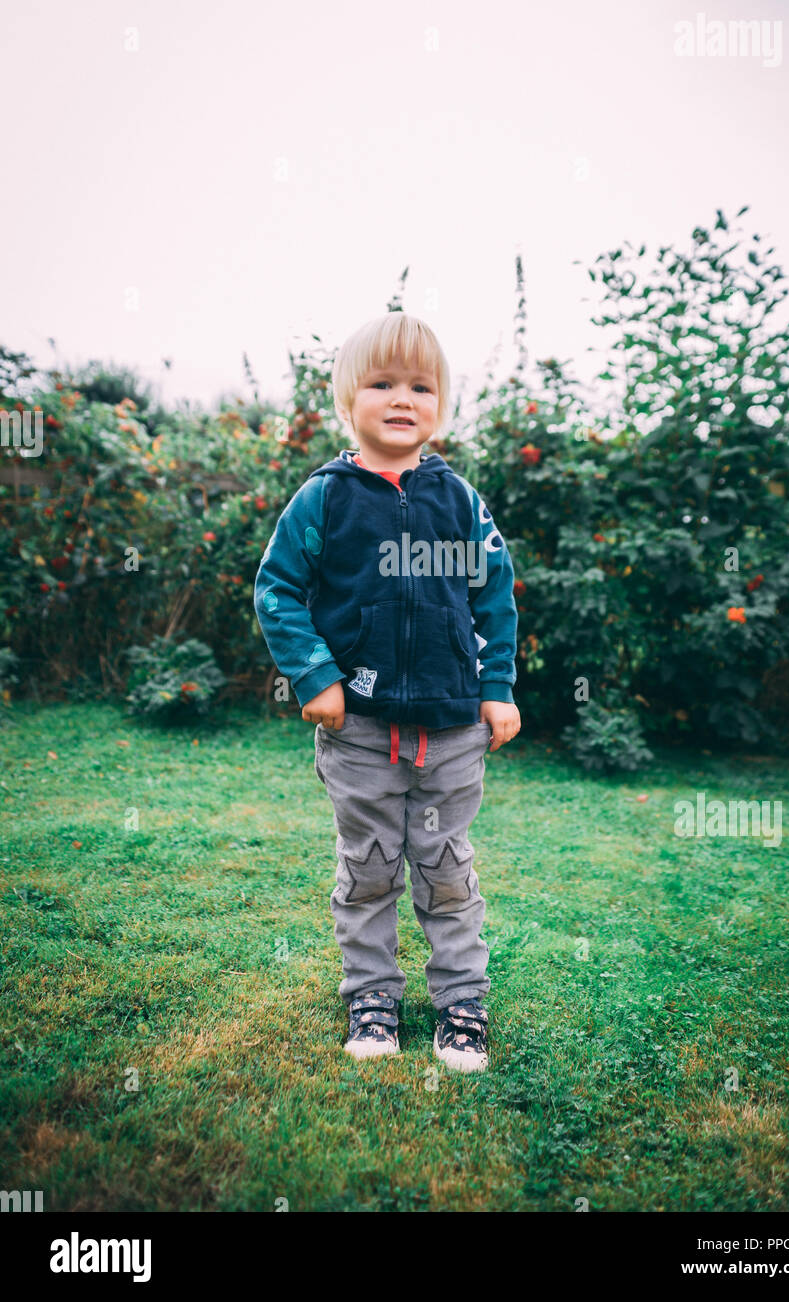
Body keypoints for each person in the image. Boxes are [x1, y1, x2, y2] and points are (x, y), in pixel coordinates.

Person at [254, 312, 520, 1072]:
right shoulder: (325, 500)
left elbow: (495, 596)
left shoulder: (460, 502)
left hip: (453, 726)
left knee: (445, 870)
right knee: (369, 865)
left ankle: (461, 1002)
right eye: (382, 384)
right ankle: (372, 997)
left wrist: (496, 687)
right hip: (361, 728)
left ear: (440, 404)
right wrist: (315, 675)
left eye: (420, 386)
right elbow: (278, 590)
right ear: (348, 400)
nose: (402, 398)